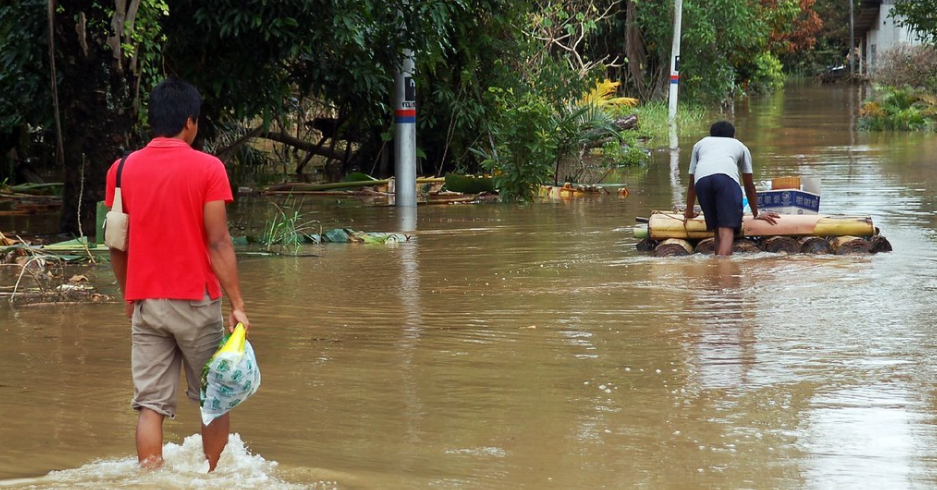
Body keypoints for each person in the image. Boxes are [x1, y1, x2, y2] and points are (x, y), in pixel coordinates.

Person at [105, 77, 249, 471]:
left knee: (149, 406)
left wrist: (128, 296)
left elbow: (118, 244)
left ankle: (149, 478)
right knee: (213, 399)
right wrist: (237, 304)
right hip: (197, 302)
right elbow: (218, 242)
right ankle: (215, 477)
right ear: (190, 122)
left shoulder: (120, 171)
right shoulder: (208, 168)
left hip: (146, 302)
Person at [683, 121, 778, 256]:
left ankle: (717, 271)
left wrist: (689, 212)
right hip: (726, 181)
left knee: (717, 230)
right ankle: (724, 272)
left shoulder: (700, 144)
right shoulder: (740, 146)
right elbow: (749, 186)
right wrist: (756, 213)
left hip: (702, 182)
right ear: (733, 135)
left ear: (711, 134)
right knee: (727, 231)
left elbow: (691, 186)